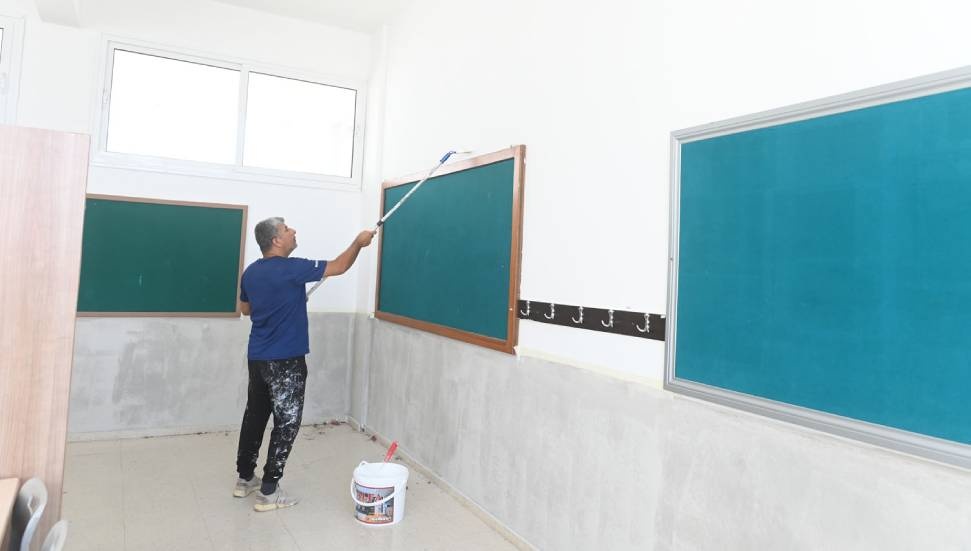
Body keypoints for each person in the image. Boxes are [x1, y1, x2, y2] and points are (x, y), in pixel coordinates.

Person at [232, 216, 375, 511]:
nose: (293, 231)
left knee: (255, 416)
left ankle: (245, 479)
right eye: (287, 229)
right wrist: (358, 244)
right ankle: (269, 491)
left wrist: (285, 300)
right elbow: (340, 266)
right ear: (276, 240)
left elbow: (246, 309)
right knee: (286, 423)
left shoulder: (251, 272)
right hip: (285, 361)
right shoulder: (292, 268)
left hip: (258, 358)